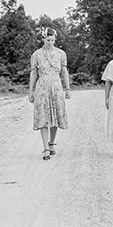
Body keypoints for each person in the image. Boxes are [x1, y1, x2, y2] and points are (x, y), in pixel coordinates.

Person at [28, 28, 71, 160]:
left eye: (52, 40)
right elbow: (33, 73)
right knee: (43, 117)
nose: (50, 43)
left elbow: (64, 71)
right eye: (48, 40)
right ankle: (45, 148)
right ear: (43, 39)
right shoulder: (36, 54)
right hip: (42, 88)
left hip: (56, 87)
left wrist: (67, 88)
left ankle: (51, 143)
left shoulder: (61, 54)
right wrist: (31, 91)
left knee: (55, 117)